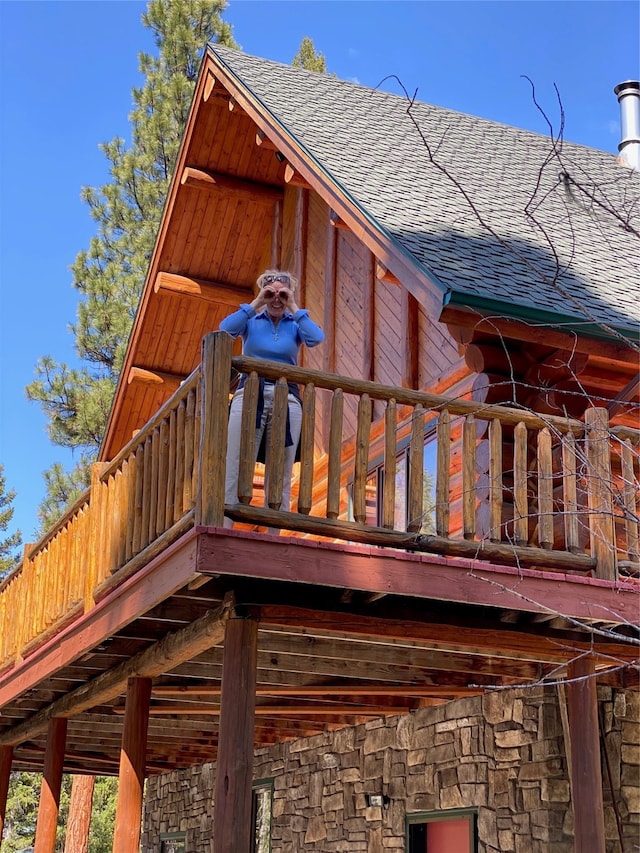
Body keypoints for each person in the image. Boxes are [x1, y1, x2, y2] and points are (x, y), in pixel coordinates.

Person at [219, 269, 324, 527]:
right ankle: (225, 527)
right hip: (248, 394)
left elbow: (316, 338)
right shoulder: (251, 321)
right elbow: (225, 330)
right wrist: (256, 303)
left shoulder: (295, 325)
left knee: (282, 469)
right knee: (236, 460)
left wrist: (294, 305)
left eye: (282, 294)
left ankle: (274, 533)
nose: (276, 299)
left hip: (286, 399)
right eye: (271, 293)